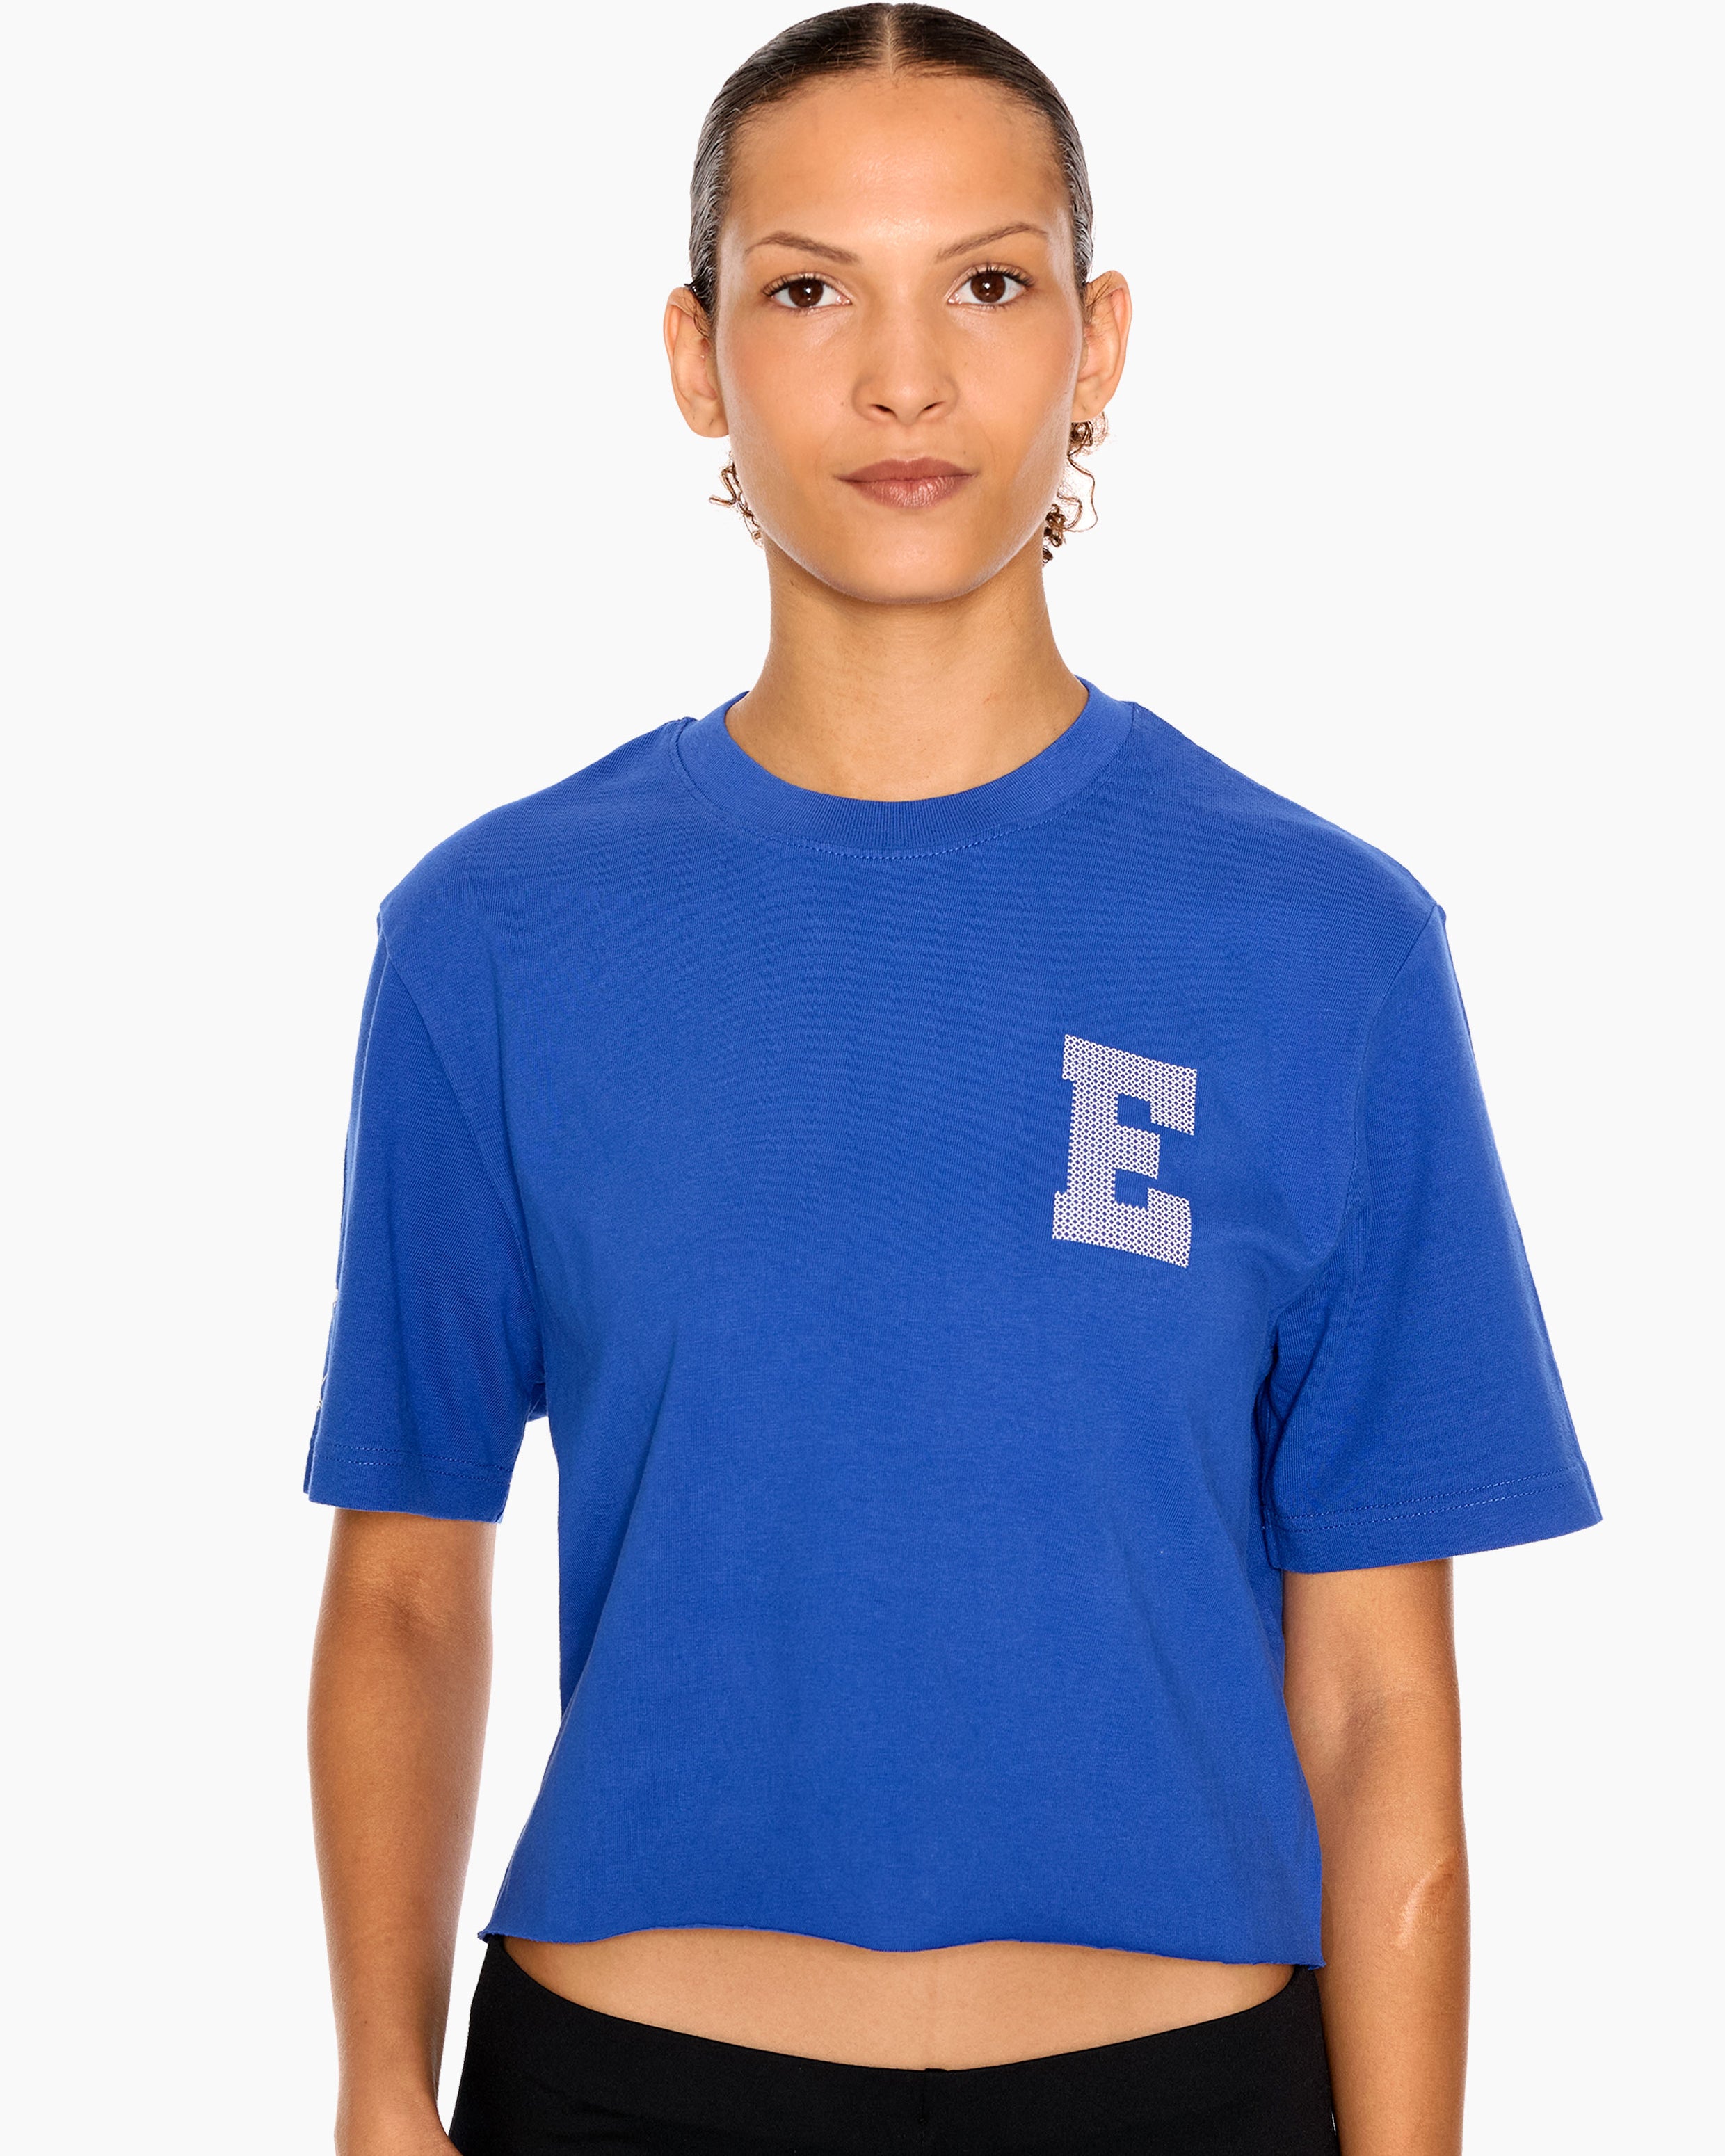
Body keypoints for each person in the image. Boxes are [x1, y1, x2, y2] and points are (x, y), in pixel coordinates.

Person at [305, 9, 1601, 2153]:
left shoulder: (1325, 945)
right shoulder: (497, 935)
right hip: (626, 2088)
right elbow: (409, 1576)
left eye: (988, 283)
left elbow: (1381, 1698)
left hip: (1186, 2095)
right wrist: (375, 2081)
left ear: (1099, 342)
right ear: (698, 356)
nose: (904, 380)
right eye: (810, 289)